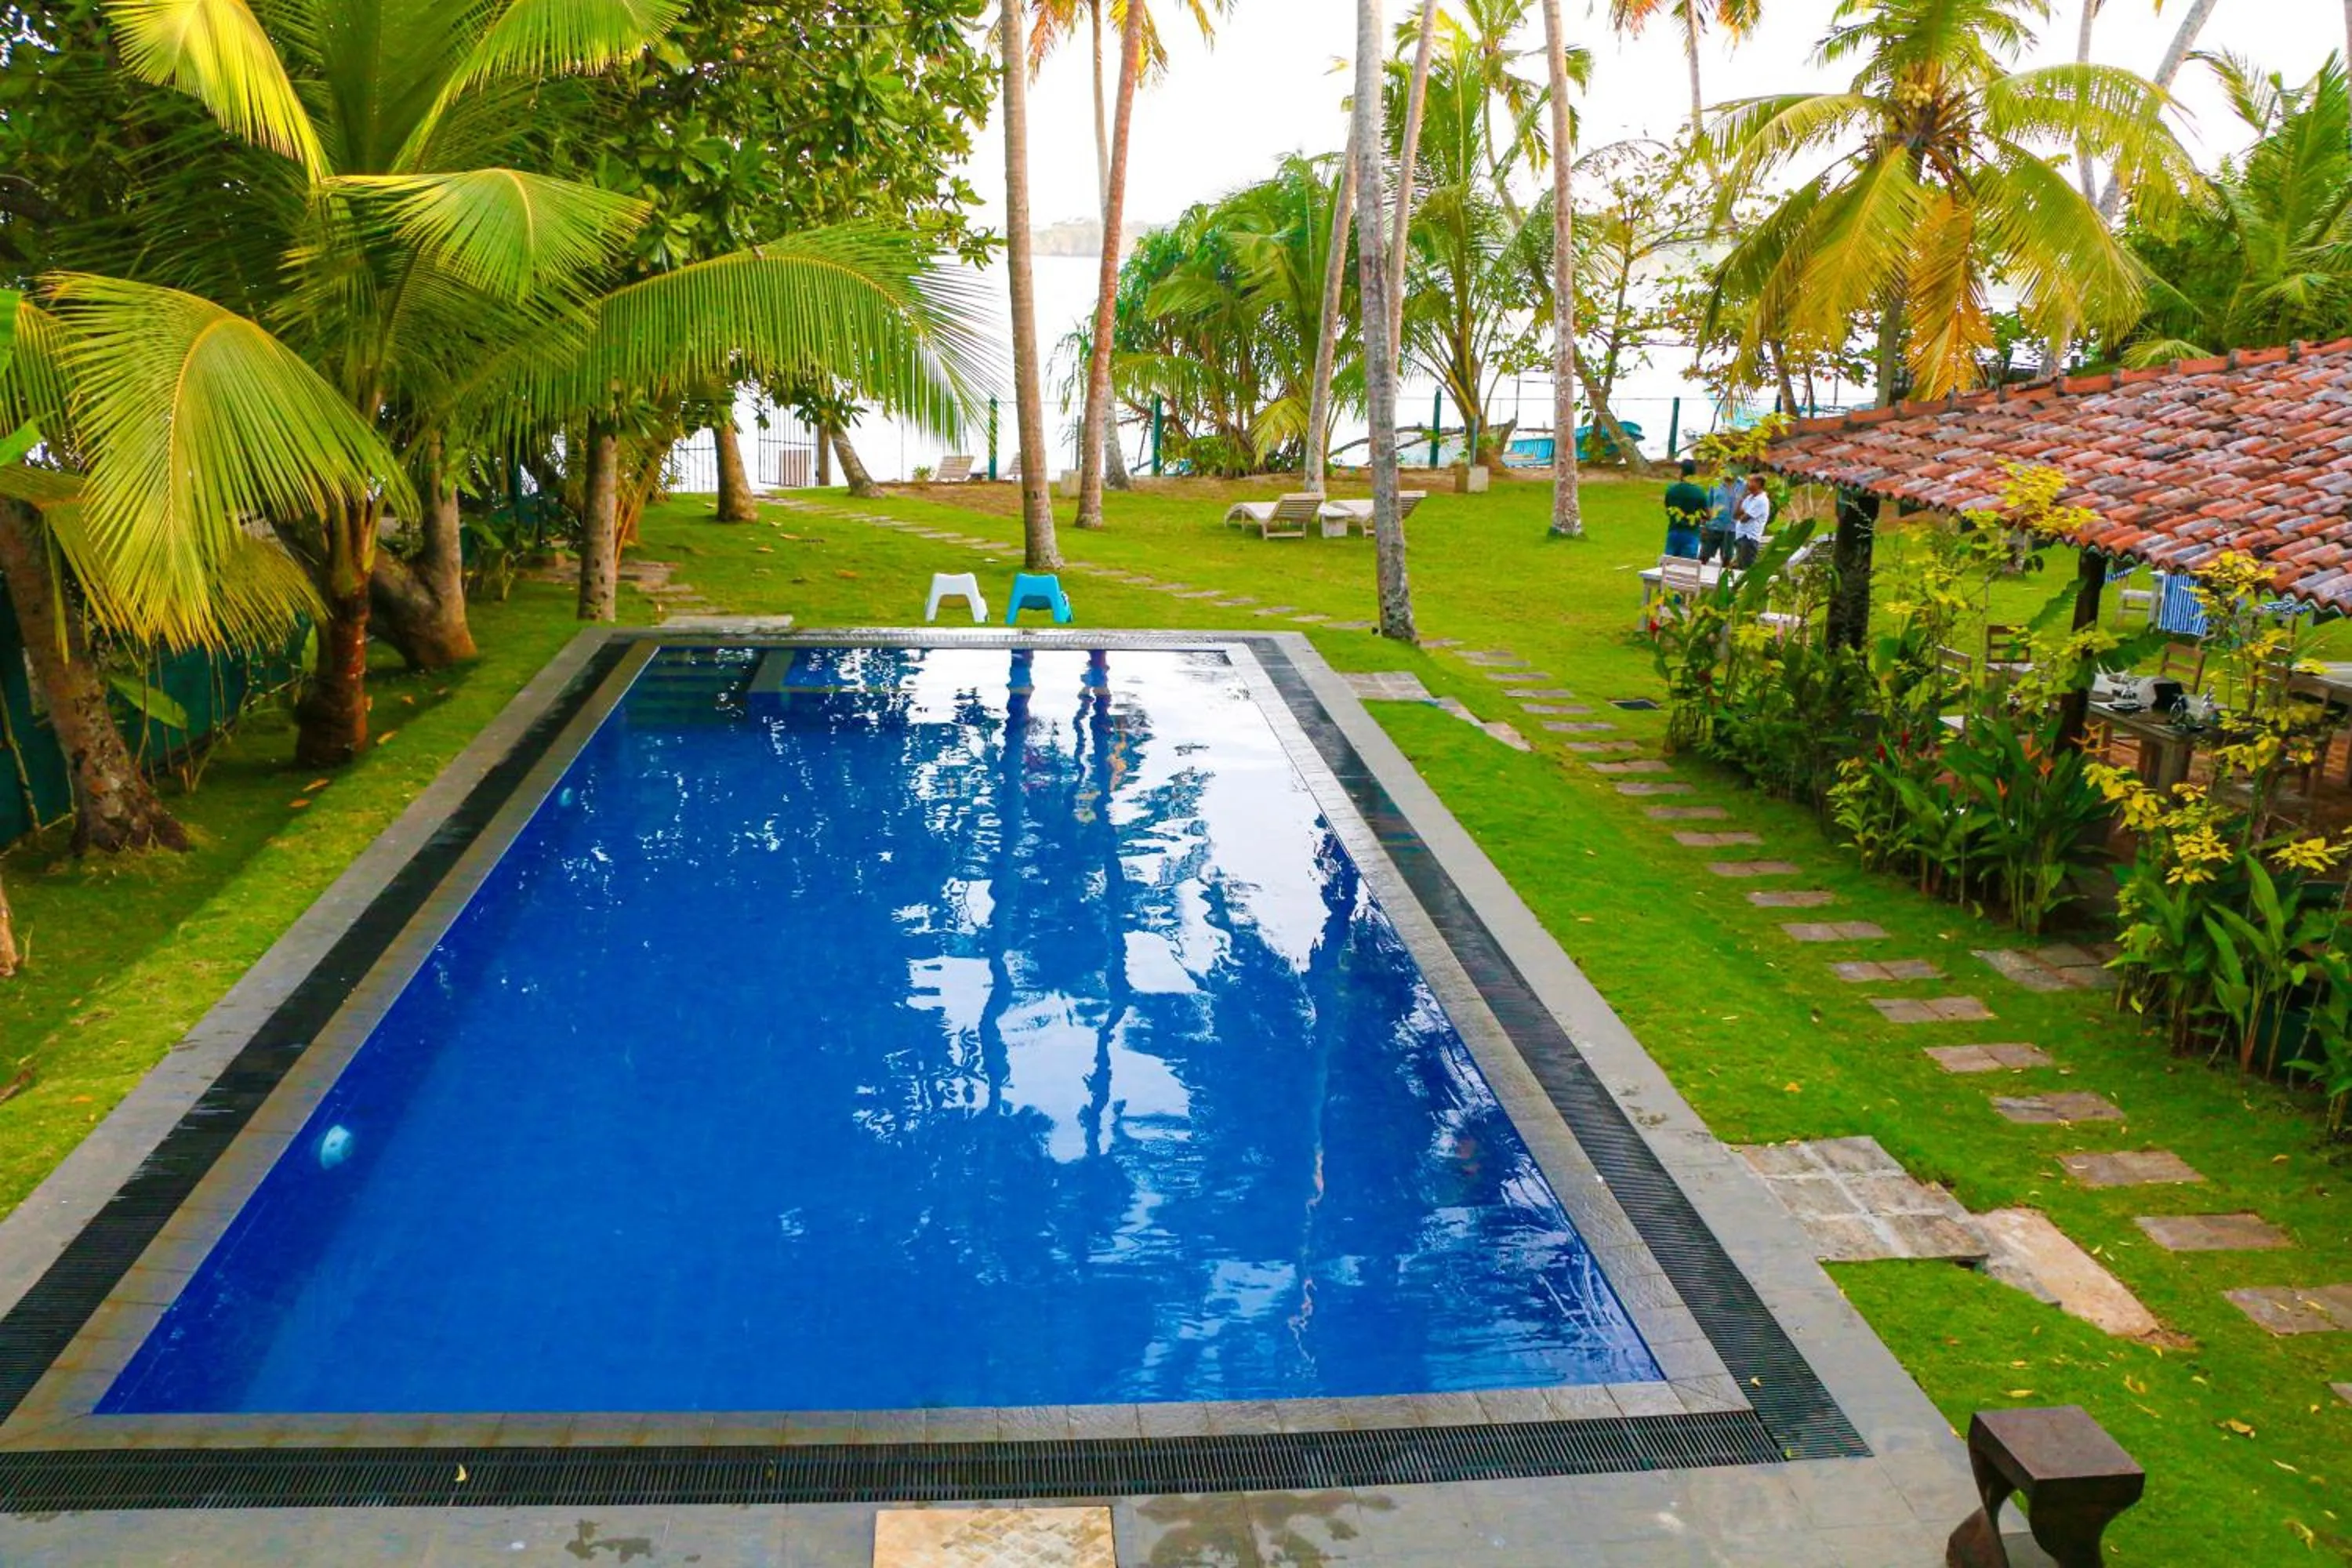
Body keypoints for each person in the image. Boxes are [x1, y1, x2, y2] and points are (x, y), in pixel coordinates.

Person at [1661, 459, 1708, 559]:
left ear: (1681, 472)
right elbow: (1706, 515)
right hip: (1692, 533)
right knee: (1686, 568)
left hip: (1674, 531)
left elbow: (1668, 508)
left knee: (1668, 565)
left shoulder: (1672, 490)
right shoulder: (1699, 492)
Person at [1700, 466, 1742, 566]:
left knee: (1727, 559)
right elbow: (1708, 505)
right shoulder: (1715, 484)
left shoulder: (1743, 485)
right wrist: (1703, 526)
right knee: (1703, 557)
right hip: (1713, 527)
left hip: (1731, 529)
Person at [1733, 474, 1772, 568]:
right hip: (1741, 537)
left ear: (1758, 484)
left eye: (1751, 482)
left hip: (1749, 539)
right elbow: (1735, 515)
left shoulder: (1761, 500)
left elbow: (1743, 519)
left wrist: (1742, 515)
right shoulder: (1749, 498)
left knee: (1745, 569)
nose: (1747, 484)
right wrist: (1741, 498)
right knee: (1741, 567)